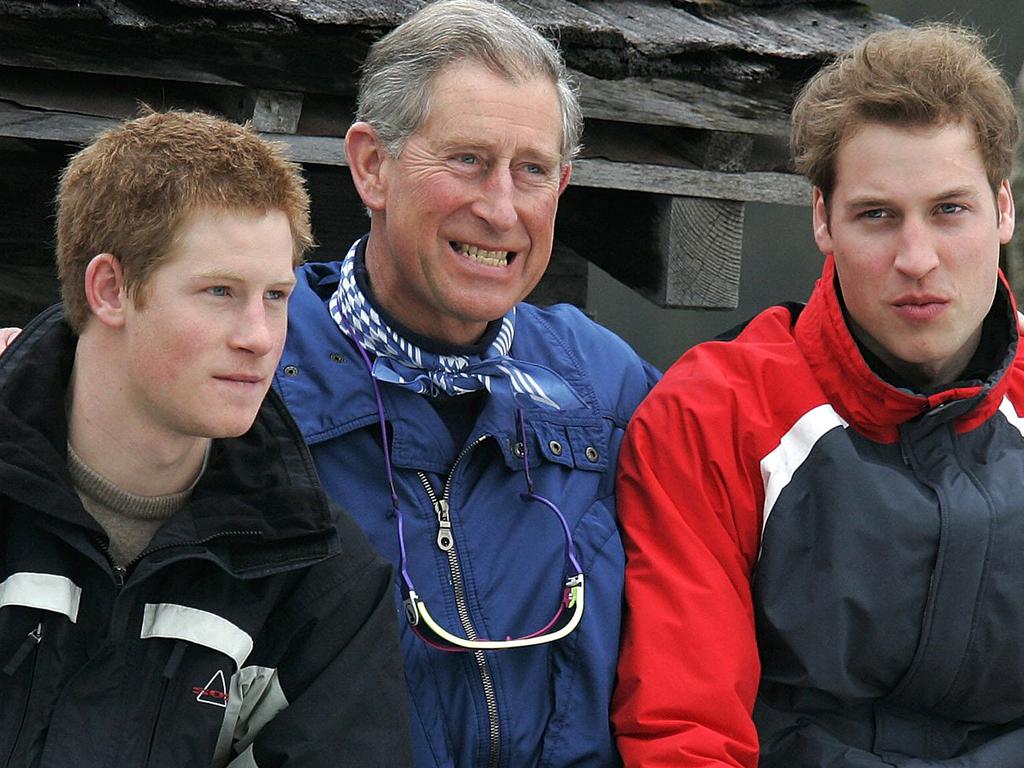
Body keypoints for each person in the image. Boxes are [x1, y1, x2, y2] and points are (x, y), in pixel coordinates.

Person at [613, 23, 1023, 767]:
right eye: (877, 215)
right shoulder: (715, 412)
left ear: (1004, 210)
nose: (917, 258)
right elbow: (685, 730)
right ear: (821, 220)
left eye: (950, 210)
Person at [271, 1, 659, 765]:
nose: (500, 208)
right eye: (467, 160)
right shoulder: (254, 367)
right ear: (371, 166)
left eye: (533, 170)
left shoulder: (609, 385)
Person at [0, 110, 412, 767]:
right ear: (109, 289)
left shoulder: (320, 577)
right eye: (220, 291)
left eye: (276, 296)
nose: (258, 336)